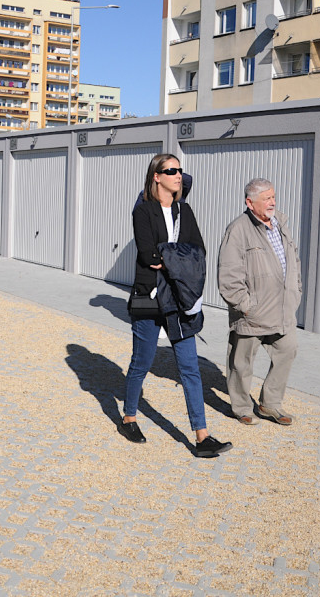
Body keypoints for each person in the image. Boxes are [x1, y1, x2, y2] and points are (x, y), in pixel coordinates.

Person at [118, 154, 232, 458]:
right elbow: (147, 255)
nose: (178, 175)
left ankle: (201, 436)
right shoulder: (144, 211)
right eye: (171, 171)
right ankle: (129, 417)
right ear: (157, 176)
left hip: (179, 298)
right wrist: (176, 258)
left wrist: (170, 258)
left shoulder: (186, 210)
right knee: (141, 363)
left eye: (180, 170)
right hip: (150, 297)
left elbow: (199, 252)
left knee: (190, 368)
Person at [217, 178, 303, 427]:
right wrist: (246, 306)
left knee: (287, 351)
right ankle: (242, 407)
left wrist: (296, 291)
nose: (272, 202)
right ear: (249, 202)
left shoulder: (280, 225)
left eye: (273, 197)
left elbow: (293, 261)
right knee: (241, 363)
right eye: (266, 198)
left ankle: (269, 404)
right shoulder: (238, 230)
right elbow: (229, 276)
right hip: (252, 313)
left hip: (283, 311)